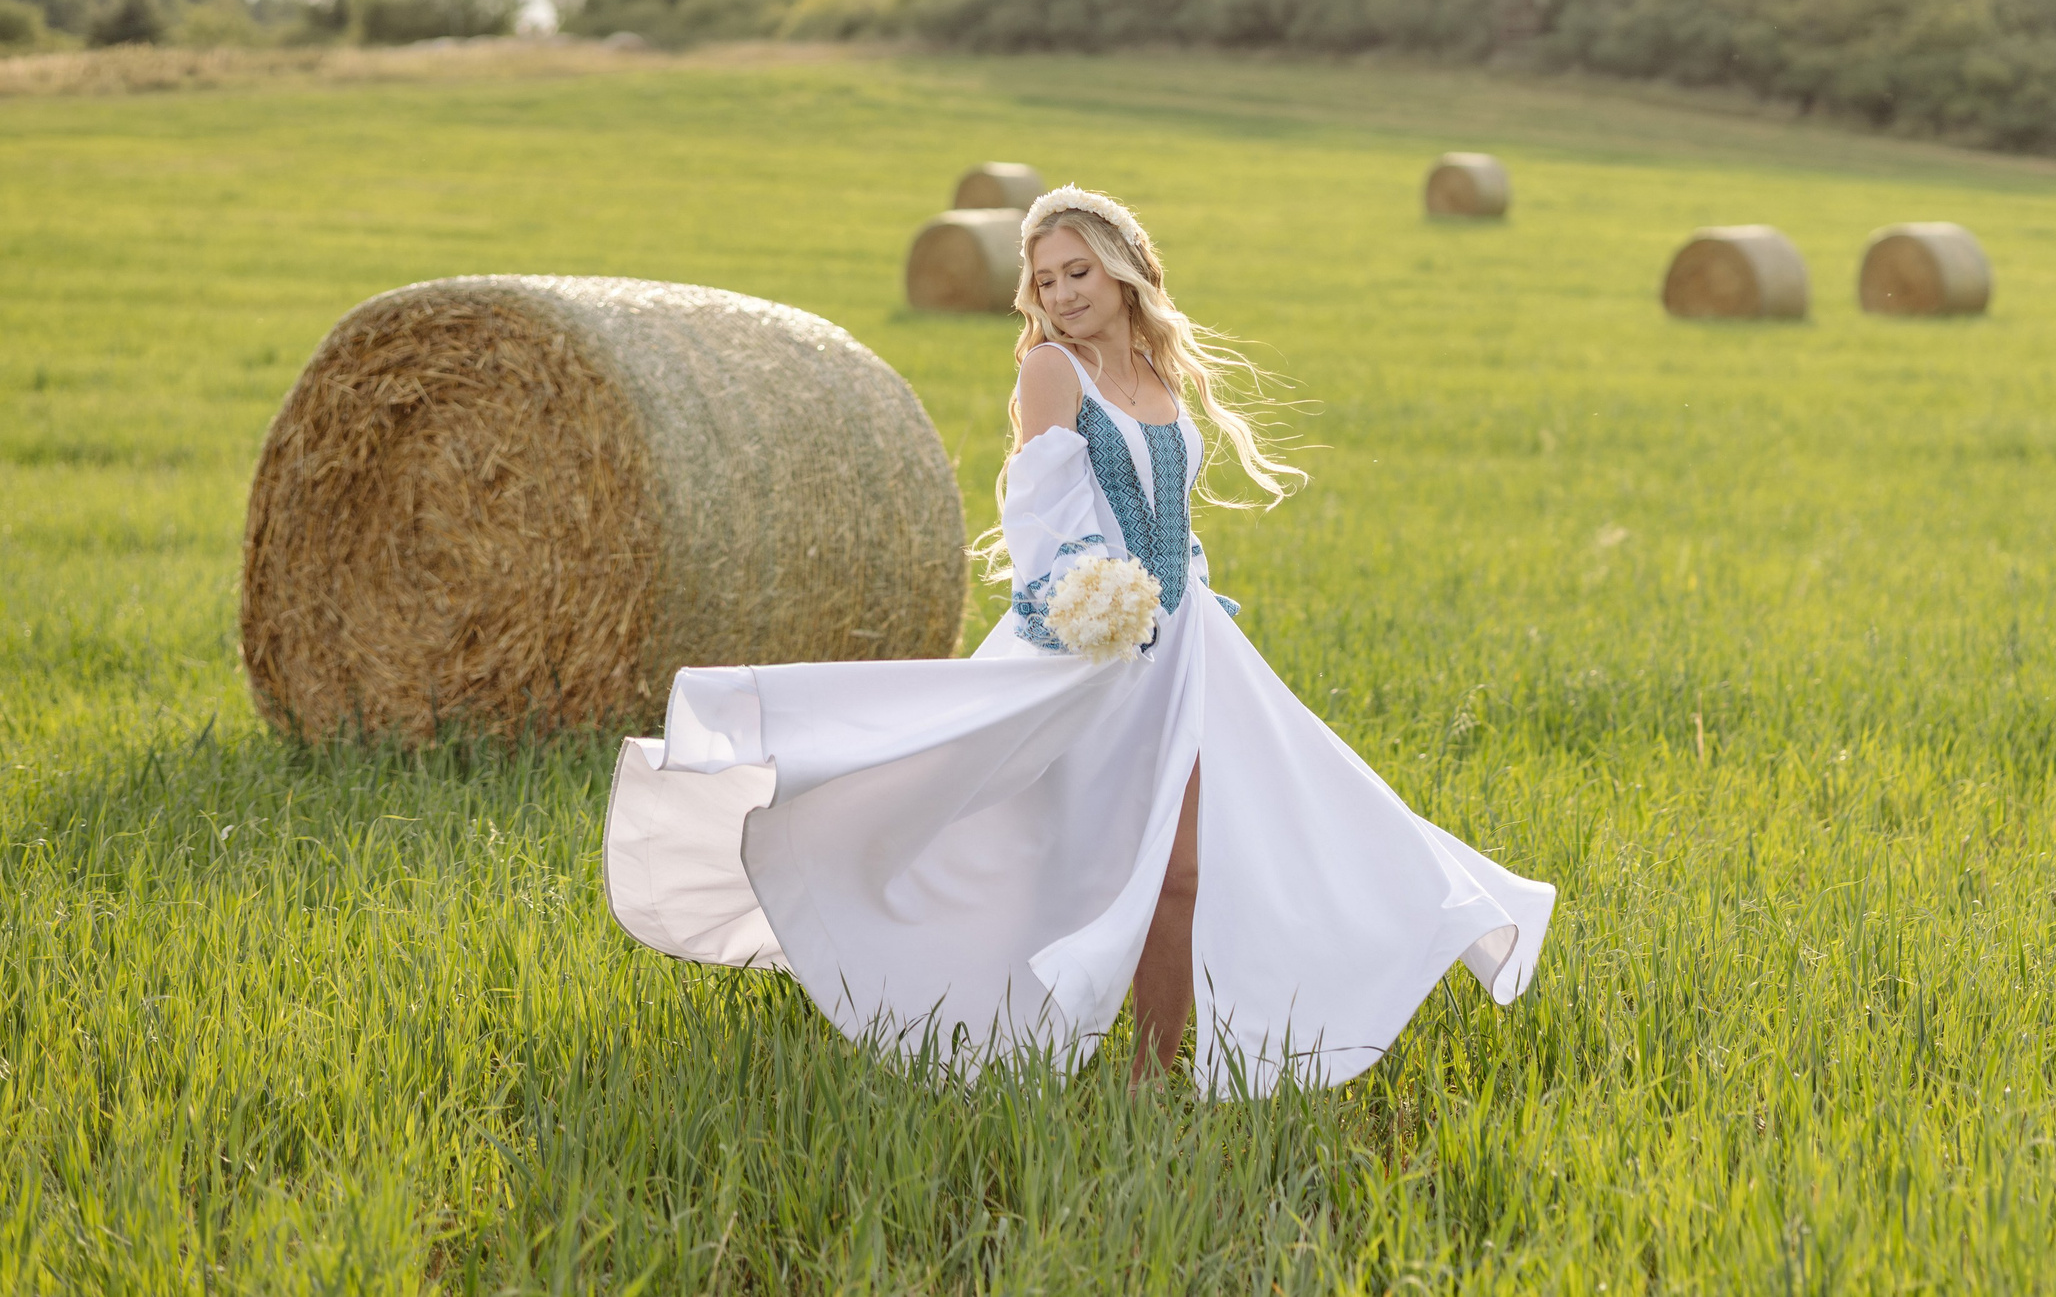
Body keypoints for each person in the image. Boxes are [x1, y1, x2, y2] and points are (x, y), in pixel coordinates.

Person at [602, 185, 1552, 1094]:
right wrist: (1096, 598)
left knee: (1219, 853)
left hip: (1186, 653)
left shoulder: (1159, 372)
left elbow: (1170, 517)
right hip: (1091, 649)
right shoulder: (1052, 370)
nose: (1059, 294)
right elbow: (1041, 506)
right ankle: (988, 1008)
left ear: (1128, 267)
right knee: (1034, 853)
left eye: (1076, 273)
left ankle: (1156, 1076)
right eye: (1045, 279)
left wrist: (1192, 596)